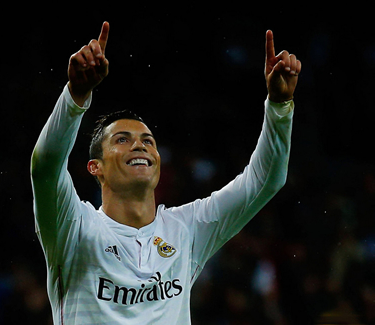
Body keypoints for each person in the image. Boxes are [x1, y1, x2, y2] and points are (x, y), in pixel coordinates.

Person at [30, 21, 301, 324]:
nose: (140, 146)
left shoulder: (186, 229)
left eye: (148, 141)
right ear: (96, 167)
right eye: (122, 139)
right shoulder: (74, 227)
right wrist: (75, 97)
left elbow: (265, 181)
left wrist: (279, 106)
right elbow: (44, 167)